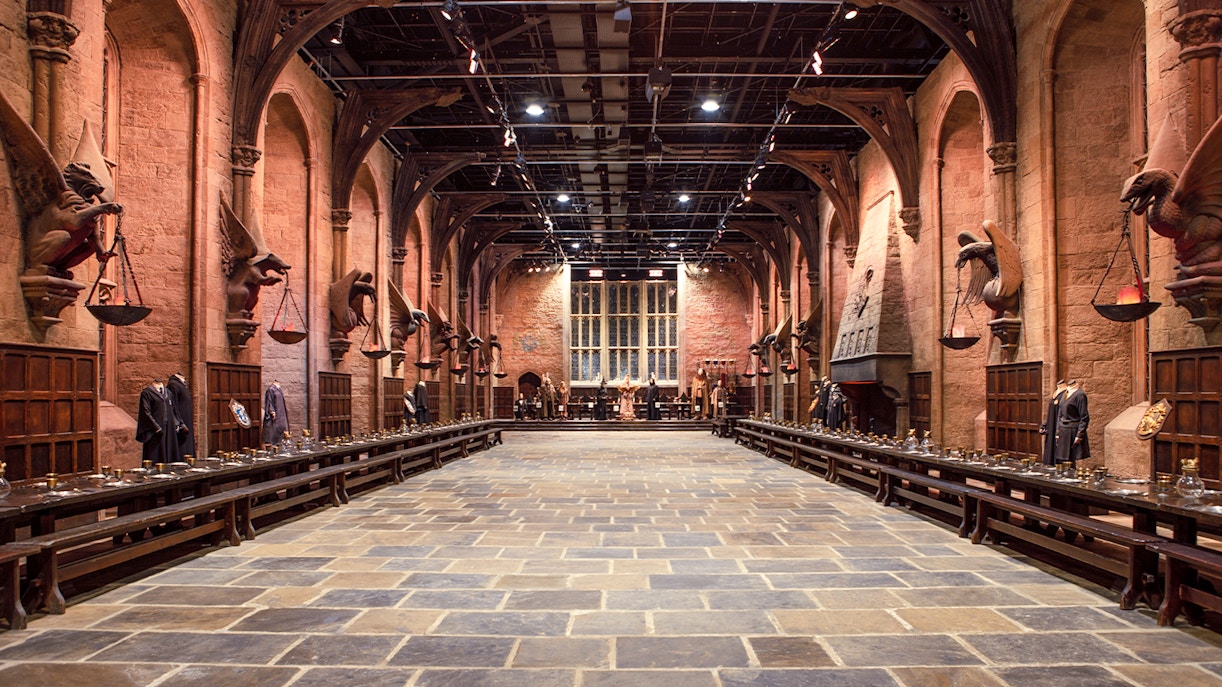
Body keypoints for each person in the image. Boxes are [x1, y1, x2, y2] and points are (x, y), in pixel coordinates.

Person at [1053, 380, 1089, 466]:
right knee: (1063, 460)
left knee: (1071, 459)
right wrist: (1058, 432)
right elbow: (1060, 414)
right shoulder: (1065, 393)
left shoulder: (1080, 395)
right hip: (1063, 430)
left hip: (1073, 430)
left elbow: (1084, 417)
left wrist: (1079, 435)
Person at [1039, 380, 1068, 466]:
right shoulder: (1055, 393)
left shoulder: (1066, 394)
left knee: (1059, 450)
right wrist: (1044, 425)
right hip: (1051, 426)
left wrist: (1059, 430)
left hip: (1059, 427)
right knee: (1050, 449)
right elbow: (1050, 413)